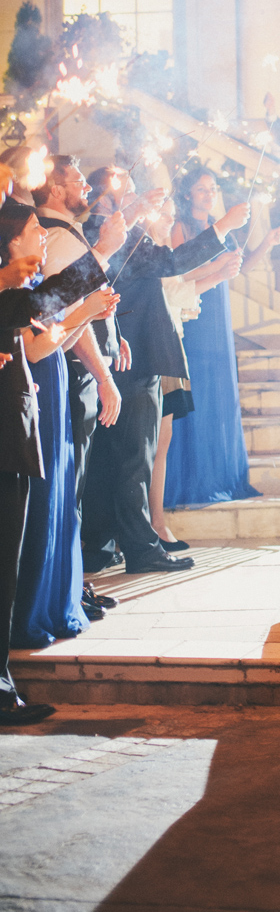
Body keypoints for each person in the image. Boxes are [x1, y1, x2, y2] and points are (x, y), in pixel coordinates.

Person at [82, 167, 251, 573]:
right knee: (134, 456)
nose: (133, 195)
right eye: (124, 191)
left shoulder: (112, 231)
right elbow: (173, 262)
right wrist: (224, 226)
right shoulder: (103, 232)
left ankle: (103, 545)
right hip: (132, 350)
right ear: (105, 199)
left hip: (130, 346)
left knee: (121, 456)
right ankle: (141, 548)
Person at [0, 163, 111, 726]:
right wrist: (106, 251)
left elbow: (41, 317)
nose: (44, 236)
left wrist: (84, 306)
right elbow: (40, 311)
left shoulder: (13, 295)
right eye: (33, 232)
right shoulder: (5, 297)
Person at [7, 204, 120, 649]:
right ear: (12, 243)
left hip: (52, 379)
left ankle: (57, 599)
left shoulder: (31, 286)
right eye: (35, 230)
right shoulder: (19, 293)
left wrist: (88, 315)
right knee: (43, 502)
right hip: (34, 390)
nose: (43, 235)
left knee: (60, 496)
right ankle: (31, 608)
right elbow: (35, 348)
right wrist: (83, 308)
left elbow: (57, 343)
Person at [34, 156, 129, 614]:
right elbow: (53, 307)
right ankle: (62, 587)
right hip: (62, 373)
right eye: (77, 183)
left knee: (74, 487)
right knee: (64, 490)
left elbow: (84, 308)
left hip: (75, 367)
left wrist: (110, 336)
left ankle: (72, 584)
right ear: (53, 188)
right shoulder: (50, 236)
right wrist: (106, 251)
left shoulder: (67, 233)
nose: (86, 190)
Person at [162, 166, 261, 510]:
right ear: (188, 193)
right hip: (195, 312)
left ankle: (222, 475)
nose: (209, 194)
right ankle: (193, 477)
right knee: (199, 388)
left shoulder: (223, 227)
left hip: (219, 311)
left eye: (213, 188)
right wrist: (216, 271)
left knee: (220, 390)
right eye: (202, 189)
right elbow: (180, 272)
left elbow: (243, 267)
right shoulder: (181, 227)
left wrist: (267, 243)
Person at [146, 197, 200, 550]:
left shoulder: (164, 252)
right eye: (162, 216)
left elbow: (179, 302)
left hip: (171, 346)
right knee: (152, 444)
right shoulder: (148, 255)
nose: (169, 221)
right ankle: (153, 524)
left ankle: (157, 521)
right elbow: (164, 298)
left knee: (162, 442)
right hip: (154, 353)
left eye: (170, 215)